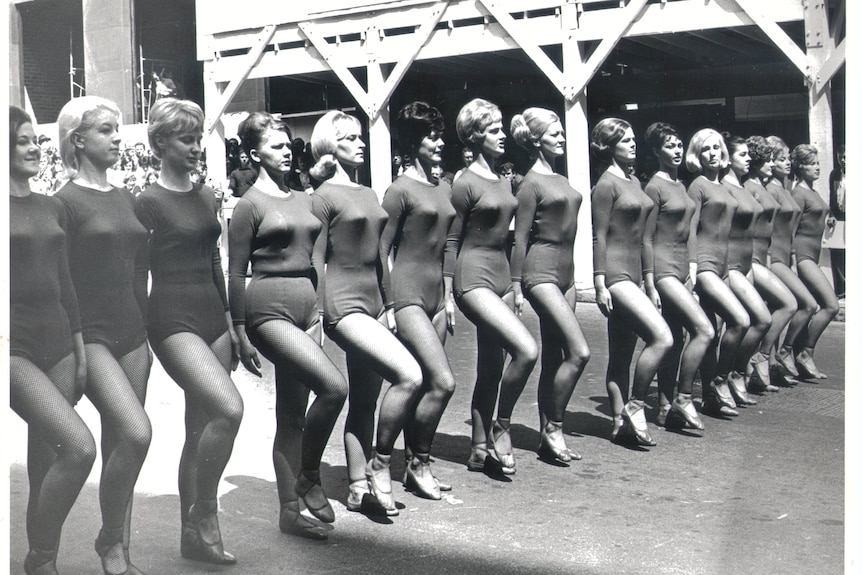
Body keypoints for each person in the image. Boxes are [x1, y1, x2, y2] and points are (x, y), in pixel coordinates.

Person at [228, 112, 347, 539]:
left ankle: (289, 512)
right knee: (335, 388)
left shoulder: (302, 196)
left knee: (292, 416)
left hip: (307, 310)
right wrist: (240, 331)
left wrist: (319, 310)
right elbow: (235, 272)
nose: (285, 151)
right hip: (268, 311)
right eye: (276, 145)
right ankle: (309, 475)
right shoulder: (249, 205)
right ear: (253, 152)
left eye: (288, 144)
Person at [135, 98, 243, 565]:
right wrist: (136, 334)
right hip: (172, 321)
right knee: (229, 409)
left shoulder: (207, 195)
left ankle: (190, 537)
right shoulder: (147, 203)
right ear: (161, 143)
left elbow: (215, 263)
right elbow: (136, 274)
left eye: (199, 138)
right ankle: (204, 515)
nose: (198, 147)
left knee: (199, 427)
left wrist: (231, 325)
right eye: (187, 139)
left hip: (211, 319)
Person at [54, 96, 153, 575]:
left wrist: (148, 332)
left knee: (124, 444)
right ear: (78, 140)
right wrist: (73, 353)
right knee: (137, 432)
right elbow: (61, 284)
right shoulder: (63, 204)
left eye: (119, 129)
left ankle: (121, 554)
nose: (119, 138)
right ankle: (108, 540)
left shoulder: (125, 196)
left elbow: (138, 272)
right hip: (91, 337)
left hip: (134, 337)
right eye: (107, 131)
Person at [310, 110, 423, 516]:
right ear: (330, 146)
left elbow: (380, 257)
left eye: (361, 137)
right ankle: (381, 462)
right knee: (410, 376)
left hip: (373, 304)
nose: (361, 143)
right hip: (344, 306)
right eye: (351, 138)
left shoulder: (370, 194)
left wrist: (390, 306)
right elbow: (316, 258)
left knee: (365, 401)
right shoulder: (322, 196)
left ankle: (357, 486)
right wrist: (318, 314)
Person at [10, 105, 98, 575]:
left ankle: (45, 561)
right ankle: (40, 556)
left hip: (61, 343)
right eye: (23, 140)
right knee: (80, 447)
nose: (33, 148)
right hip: (14, 350)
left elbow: (68, 285)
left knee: (46, 459)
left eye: (36, 141)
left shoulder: (49, 205)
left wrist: (81, 352)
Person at [446, 98, 538, 473]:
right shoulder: (464, 183)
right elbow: (451, 240)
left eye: (502, 128)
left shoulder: (504, 179)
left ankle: (478, 448)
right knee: (526, 350)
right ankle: (502, 425)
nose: (503, 136)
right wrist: (449, 291)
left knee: (491, 368)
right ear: (474, 135)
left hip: (500, 276)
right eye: (495, 130)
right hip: (473, 278)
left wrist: (515, 286)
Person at [379, 102, 457, 499]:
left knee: (428, 383)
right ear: (413, 142)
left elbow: (449, 244)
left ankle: (413, 466)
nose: (439, 142)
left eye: (440, 135)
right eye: (431, 136)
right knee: (443, 382)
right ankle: (401, 460)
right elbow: (381, 249)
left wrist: (450, 297)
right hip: (408, 296)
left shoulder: (443, 187)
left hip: (438, 298)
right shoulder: (399, 190)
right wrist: (390, 306)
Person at [509, 107, 591, 460]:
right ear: (536, 139)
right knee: (579, 352)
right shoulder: (530, 183)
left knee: (556, 358)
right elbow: (520, 238)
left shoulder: (560, 178)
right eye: (555, 134)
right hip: (540, 272)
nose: (562, 138)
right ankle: (555, 425)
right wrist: (515, 286)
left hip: (567, 274)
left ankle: (547, 435)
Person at [590, 118, 672, 446]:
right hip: (615, 275)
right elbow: (598, 237)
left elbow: (645, 239)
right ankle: (635, 406)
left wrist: (649, 284)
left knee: (622, 354)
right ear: (608, 146)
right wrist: (599, 283)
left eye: (634, 139)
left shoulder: (635, 181)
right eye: (625, 140)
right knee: (662, 337)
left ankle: (617, 422)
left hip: (635, 276)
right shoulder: (606, 185)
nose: (633, 144)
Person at [642, 122, 712, 431]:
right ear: (656, 152)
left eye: (679, 145)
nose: (677, 150)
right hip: (664, 269)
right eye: (670, 146)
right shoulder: (654, 187)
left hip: (683, 269)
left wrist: (694, 267)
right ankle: (685, 397)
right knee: (705, 330)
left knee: (677, 337)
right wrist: (649, 282)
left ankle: (664, 406)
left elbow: (690, 231)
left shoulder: (681, 185)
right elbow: (645, 238)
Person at [686, 129, 750, 418]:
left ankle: (709, 399)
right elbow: (689, 229)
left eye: (716, 148)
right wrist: (692, 268)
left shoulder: (723, 186)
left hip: (724, 265)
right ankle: (718, 381)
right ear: (697, 155)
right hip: (705, 264)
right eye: (706, 150)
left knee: (715, 333)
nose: (712, 153)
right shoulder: (698, 186)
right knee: (741, 319)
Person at [719, 134, 772, 407]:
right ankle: (722, 376)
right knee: (758, 319)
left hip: (748, 263)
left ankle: (733, 374)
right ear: (729, 158)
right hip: (730, 265)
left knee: (747, 322)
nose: (748, 158)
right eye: (742, 154)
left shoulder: (742, 186)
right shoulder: (725, 188)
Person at [742, 135, 798, 393]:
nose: (771, 163)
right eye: (766, 159)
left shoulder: (761, 185)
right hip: (753, 258)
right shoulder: (750, 187)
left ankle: (758, 362)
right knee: (786, 305)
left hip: (764, 257)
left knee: (773, 308)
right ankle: (754, 360)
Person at [764, 136, 816, 384]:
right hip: (774, 257)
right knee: (804, 304)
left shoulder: (783, 188)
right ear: (770, 162)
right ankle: (769, 356)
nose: (786, 163)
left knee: (778, 308)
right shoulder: (770, 190)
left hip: (785, 257)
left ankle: (771, 364)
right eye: (780, 159)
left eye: (786, 159)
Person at [789, 144, 839, 379]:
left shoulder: (812, 191)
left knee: (806, 308)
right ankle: (801, 352)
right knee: (831, 305)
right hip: (802, 256)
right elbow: (789, 228)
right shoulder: (798, 193)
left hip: (812, 255)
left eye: (818, 163)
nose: (817, 167)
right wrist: (791, 260)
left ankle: (798, 355)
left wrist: (827, 219)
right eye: (811, 163)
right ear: (800, 167)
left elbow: (815, 215)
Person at [828, 144, 845, 298]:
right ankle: (841, 290)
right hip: (840, 217)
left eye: (847, 157)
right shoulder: (834, 174)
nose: (844, 161)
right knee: (837, 253)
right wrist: (831, 214)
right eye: (841, 158)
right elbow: (832, 197)